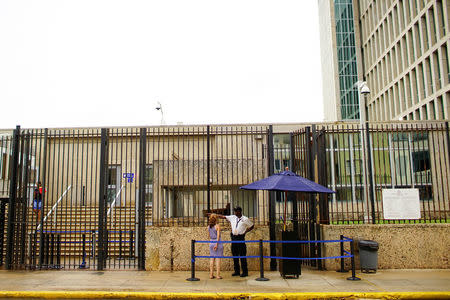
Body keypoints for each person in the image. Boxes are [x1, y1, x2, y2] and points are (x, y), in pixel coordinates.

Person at [217, 206, 254, 277]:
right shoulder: (233, 217)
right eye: (235, 211)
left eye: (237, 211)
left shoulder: (245, 219)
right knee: (235, 255)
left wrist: (245, 231)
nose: (236, 213)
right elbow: (223, 217)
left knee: (242, 255)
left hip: (240, 238)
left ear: (240, 211)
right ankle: (237, 271)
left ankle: (245, 272)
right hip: (234, 238)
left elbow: (252, 226)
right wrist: (215, 215)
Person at [207, 214, 223, 279]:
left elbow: (209, 236)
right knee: (218, 260)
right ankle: (218, 275)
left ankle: (211, 275)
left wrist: (212, 242)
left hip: (211, 242)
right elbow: (218, 236)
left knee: (211, 259)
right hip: (217, 243)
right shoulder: (217, 226)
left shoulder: (208, 227)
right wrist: (216, 244)